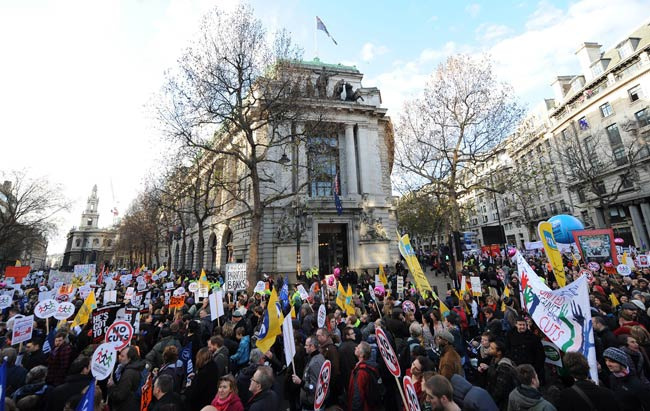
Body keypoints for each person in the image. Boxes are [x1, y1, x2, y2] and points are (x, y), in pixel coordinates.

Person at [108, 346, 146, 411]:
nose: (119, 358)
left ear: (129, 359)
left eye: (122, 356)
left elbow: (120, 396)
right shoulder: (138, 366)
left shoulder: (129, 374)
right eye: (120, 355)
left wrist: (111, 387)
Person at [292, 335, 325, 411]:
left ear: (312, 346)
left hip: (311, 403)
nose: (304, 347)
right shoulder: (320, 356)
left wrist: (300, 382)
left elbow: (314, 387)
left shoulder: (315, 363)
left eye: (306, 345)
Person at [486, 340, 519, 410]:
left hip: (502, 403)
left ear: (499, 352)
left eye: (492, 348)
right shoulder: (494, 358)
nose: (489, 349)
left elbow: (500, 390)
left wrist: (491, 401)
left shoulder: (504, 367)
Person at [347, 341, 379, 411]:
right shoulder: (369, 367)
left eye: (358, 348)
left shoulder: (361, 372)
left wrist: (354, 408)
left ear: (361, 355)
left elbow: (358, 393)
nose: (355, 348)